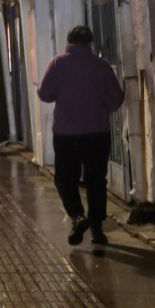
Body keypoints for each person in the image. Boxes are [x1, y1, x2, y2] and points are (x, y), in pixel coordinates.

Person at [37, 25, 124, 250]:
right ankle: (97, 229)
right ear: (90, 43)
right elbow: (116, 99)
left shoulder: (57, 63)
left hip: (66, 135)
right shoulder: (102, 67)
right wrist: (100, 105)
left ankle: (77, 216)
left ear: (69, 42)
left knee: (66, 178)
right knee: (96, 179)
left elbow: (45, 94)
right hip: (98, 133)